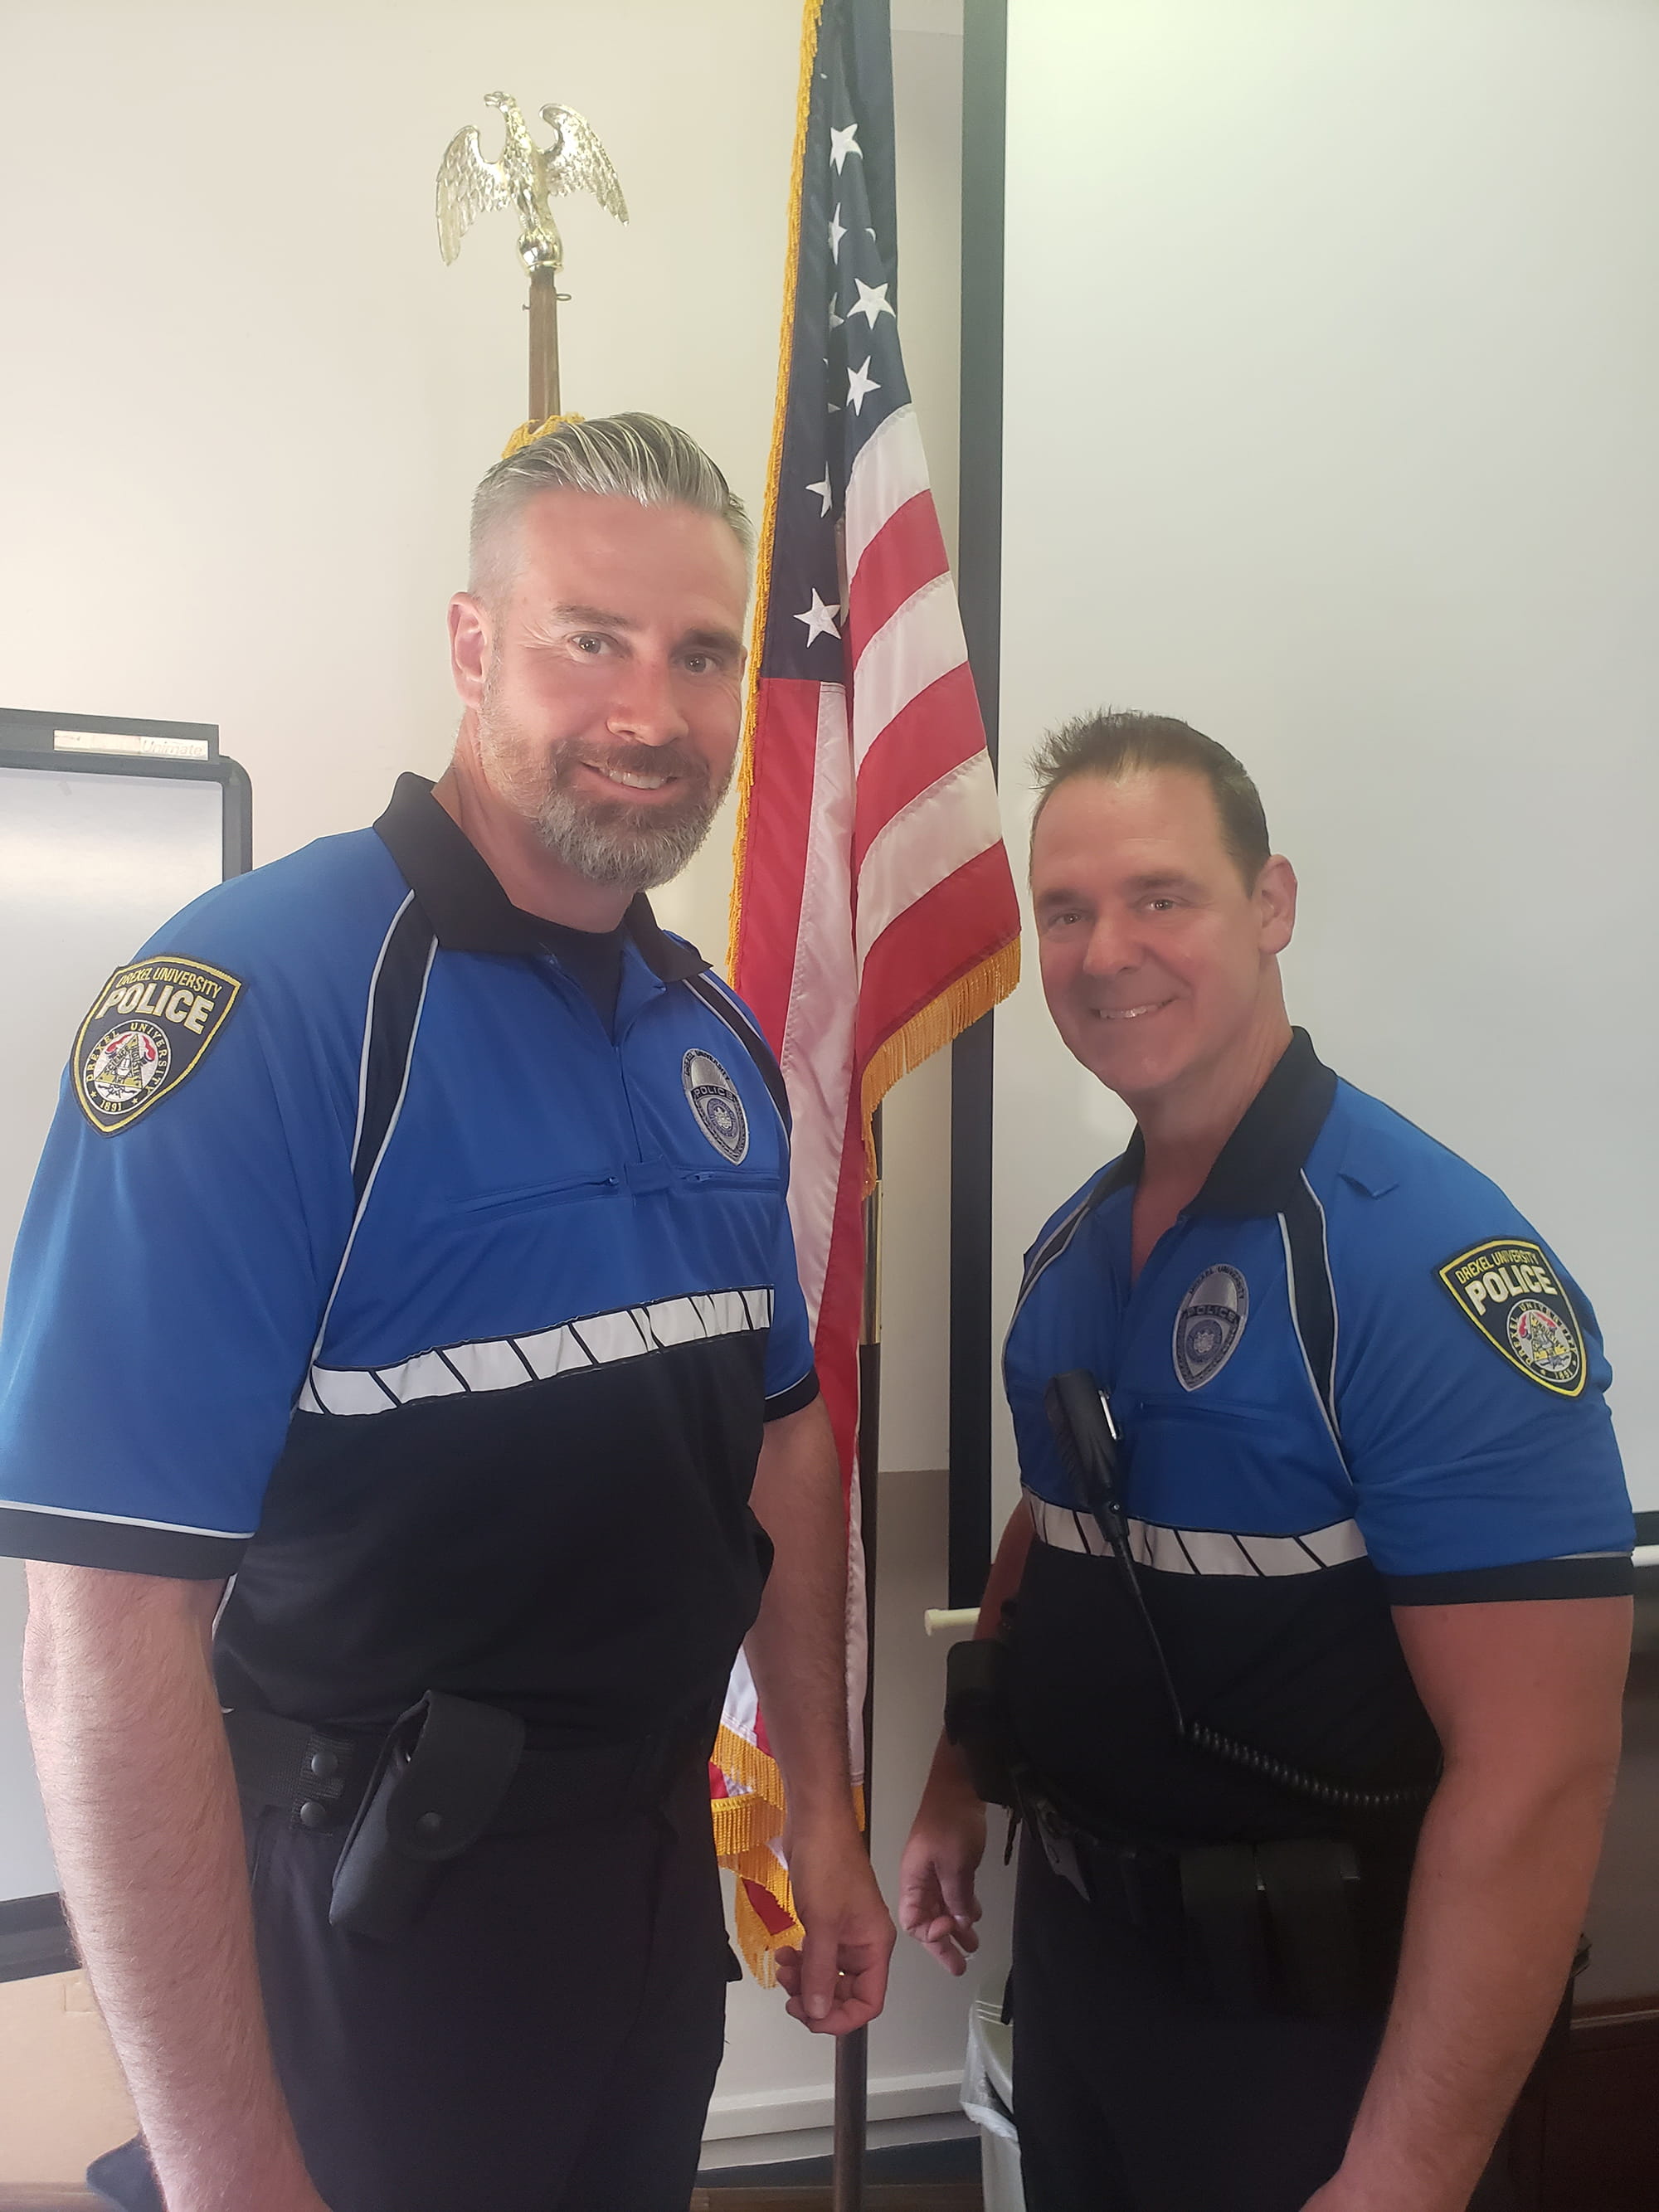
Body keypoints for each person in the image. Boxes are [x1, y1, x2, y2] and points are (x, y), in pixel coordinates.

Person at [2, 414, 893, 2212]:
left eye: (699, 651)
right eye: (590, 637)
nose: (650, 707)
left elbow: (784, 1452)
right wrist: (229, 2170)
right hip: (370, 1929)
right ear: (473, 644)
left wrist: (823, 1808)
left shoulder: (713, 1038)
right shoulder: (260, 1009)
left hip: (646, 1898)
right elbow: (100, 1642)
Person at [898, 712, 1632, 2212]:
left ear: (1272, 903)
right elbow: (1055, 1538)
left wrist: (1403, 2180)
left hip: (1314, 2041)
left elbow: (1540, 1774)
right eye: (1068, 911)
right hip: (1092, 1988)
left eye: (1162, 896)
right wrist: (955, 1782)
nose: (1108, 953)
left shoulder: (1425, 1264)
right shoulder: (1073, 1250)